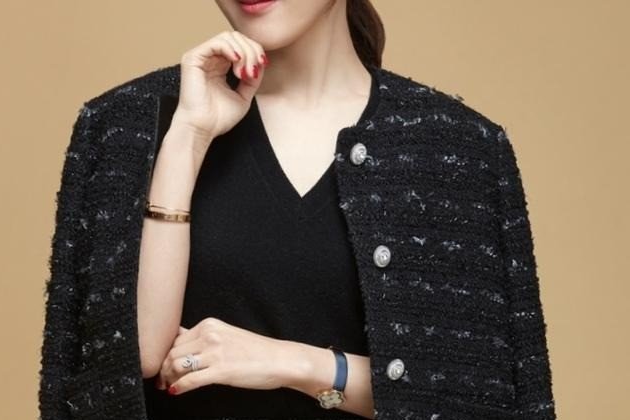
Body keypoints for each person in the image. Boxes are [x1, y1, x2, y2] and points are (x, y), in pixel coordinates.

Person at [38, 1, 556, 419]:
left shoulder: (453, 149)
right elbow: (127, 364)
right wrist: (187, 140)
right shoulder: (123, 125)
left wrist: (296, 364)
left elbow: (473, 400)